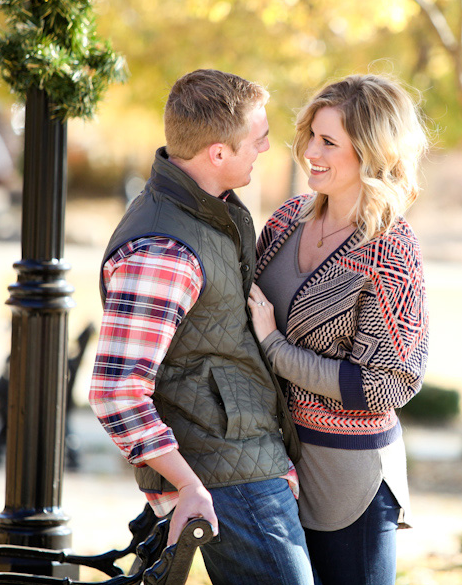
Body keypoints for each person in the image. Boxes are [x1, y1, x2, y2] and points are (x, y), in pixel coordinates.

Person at [89, 69, 313, 585]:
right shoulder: (165, 249)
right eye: (257, 139)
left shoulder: (206, 214)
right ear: (217, 153)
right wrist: (188, 486)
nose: (265, 149)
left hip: (244, 461)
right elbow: (115, 391)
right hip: (225, 477)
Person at [248, 73, 430, 585]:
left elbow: (388, 383)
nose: (310, 151)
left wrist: (274, 347)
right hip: (274, 468)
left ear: (372, 153)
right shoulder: (284, 222)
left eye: (329, 142)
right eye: (311, 135)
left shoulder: (389, 251)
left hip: (351, 480)